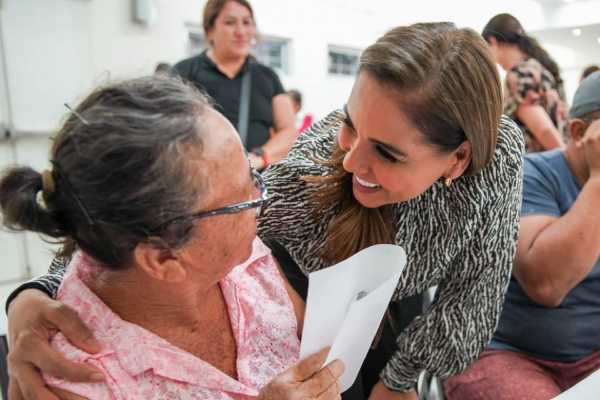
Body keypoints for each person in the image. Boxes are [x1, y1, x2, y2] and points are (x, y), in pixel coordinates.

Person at [5, 22, 525, 400]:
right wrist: (38, 296)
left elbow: (472, 302)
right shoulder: (304, 179)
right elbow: (124, 221)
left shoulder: (497, 159)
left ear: (458, 159)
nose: (349, 159)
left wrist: (398, 380)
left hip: (381, 332)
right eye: (348, 123)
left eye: (387, 153)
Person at [0, 76, 344, 399]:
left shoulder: (245, 258)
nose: (263, 198)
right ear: (163, 259)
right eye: (244, 198)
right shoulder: (75, 380)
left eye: (253, 174)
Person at [444, 72, 600, 400]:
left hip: (589, 357)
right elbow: (546, 285)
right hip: (505, 353)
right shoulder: (529, 174)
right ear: (579, 133)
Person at [173, 0, 296, 171]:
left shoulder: (268, 76)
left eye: (247, 22)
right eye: (230, 22)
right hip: (200, 180)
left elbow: (289, 131)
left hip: (253, 182)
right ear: (209, 30)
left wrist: (261, 156)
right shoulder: (183, 72)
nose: (241, 31)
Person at [483, 13, 568, 153]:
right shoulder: (539, 67)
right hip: (552, 160)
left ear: (493, 42)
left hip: (540, 165)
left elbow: (544, 130)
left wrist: (568, 165)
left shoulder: (518, 74)